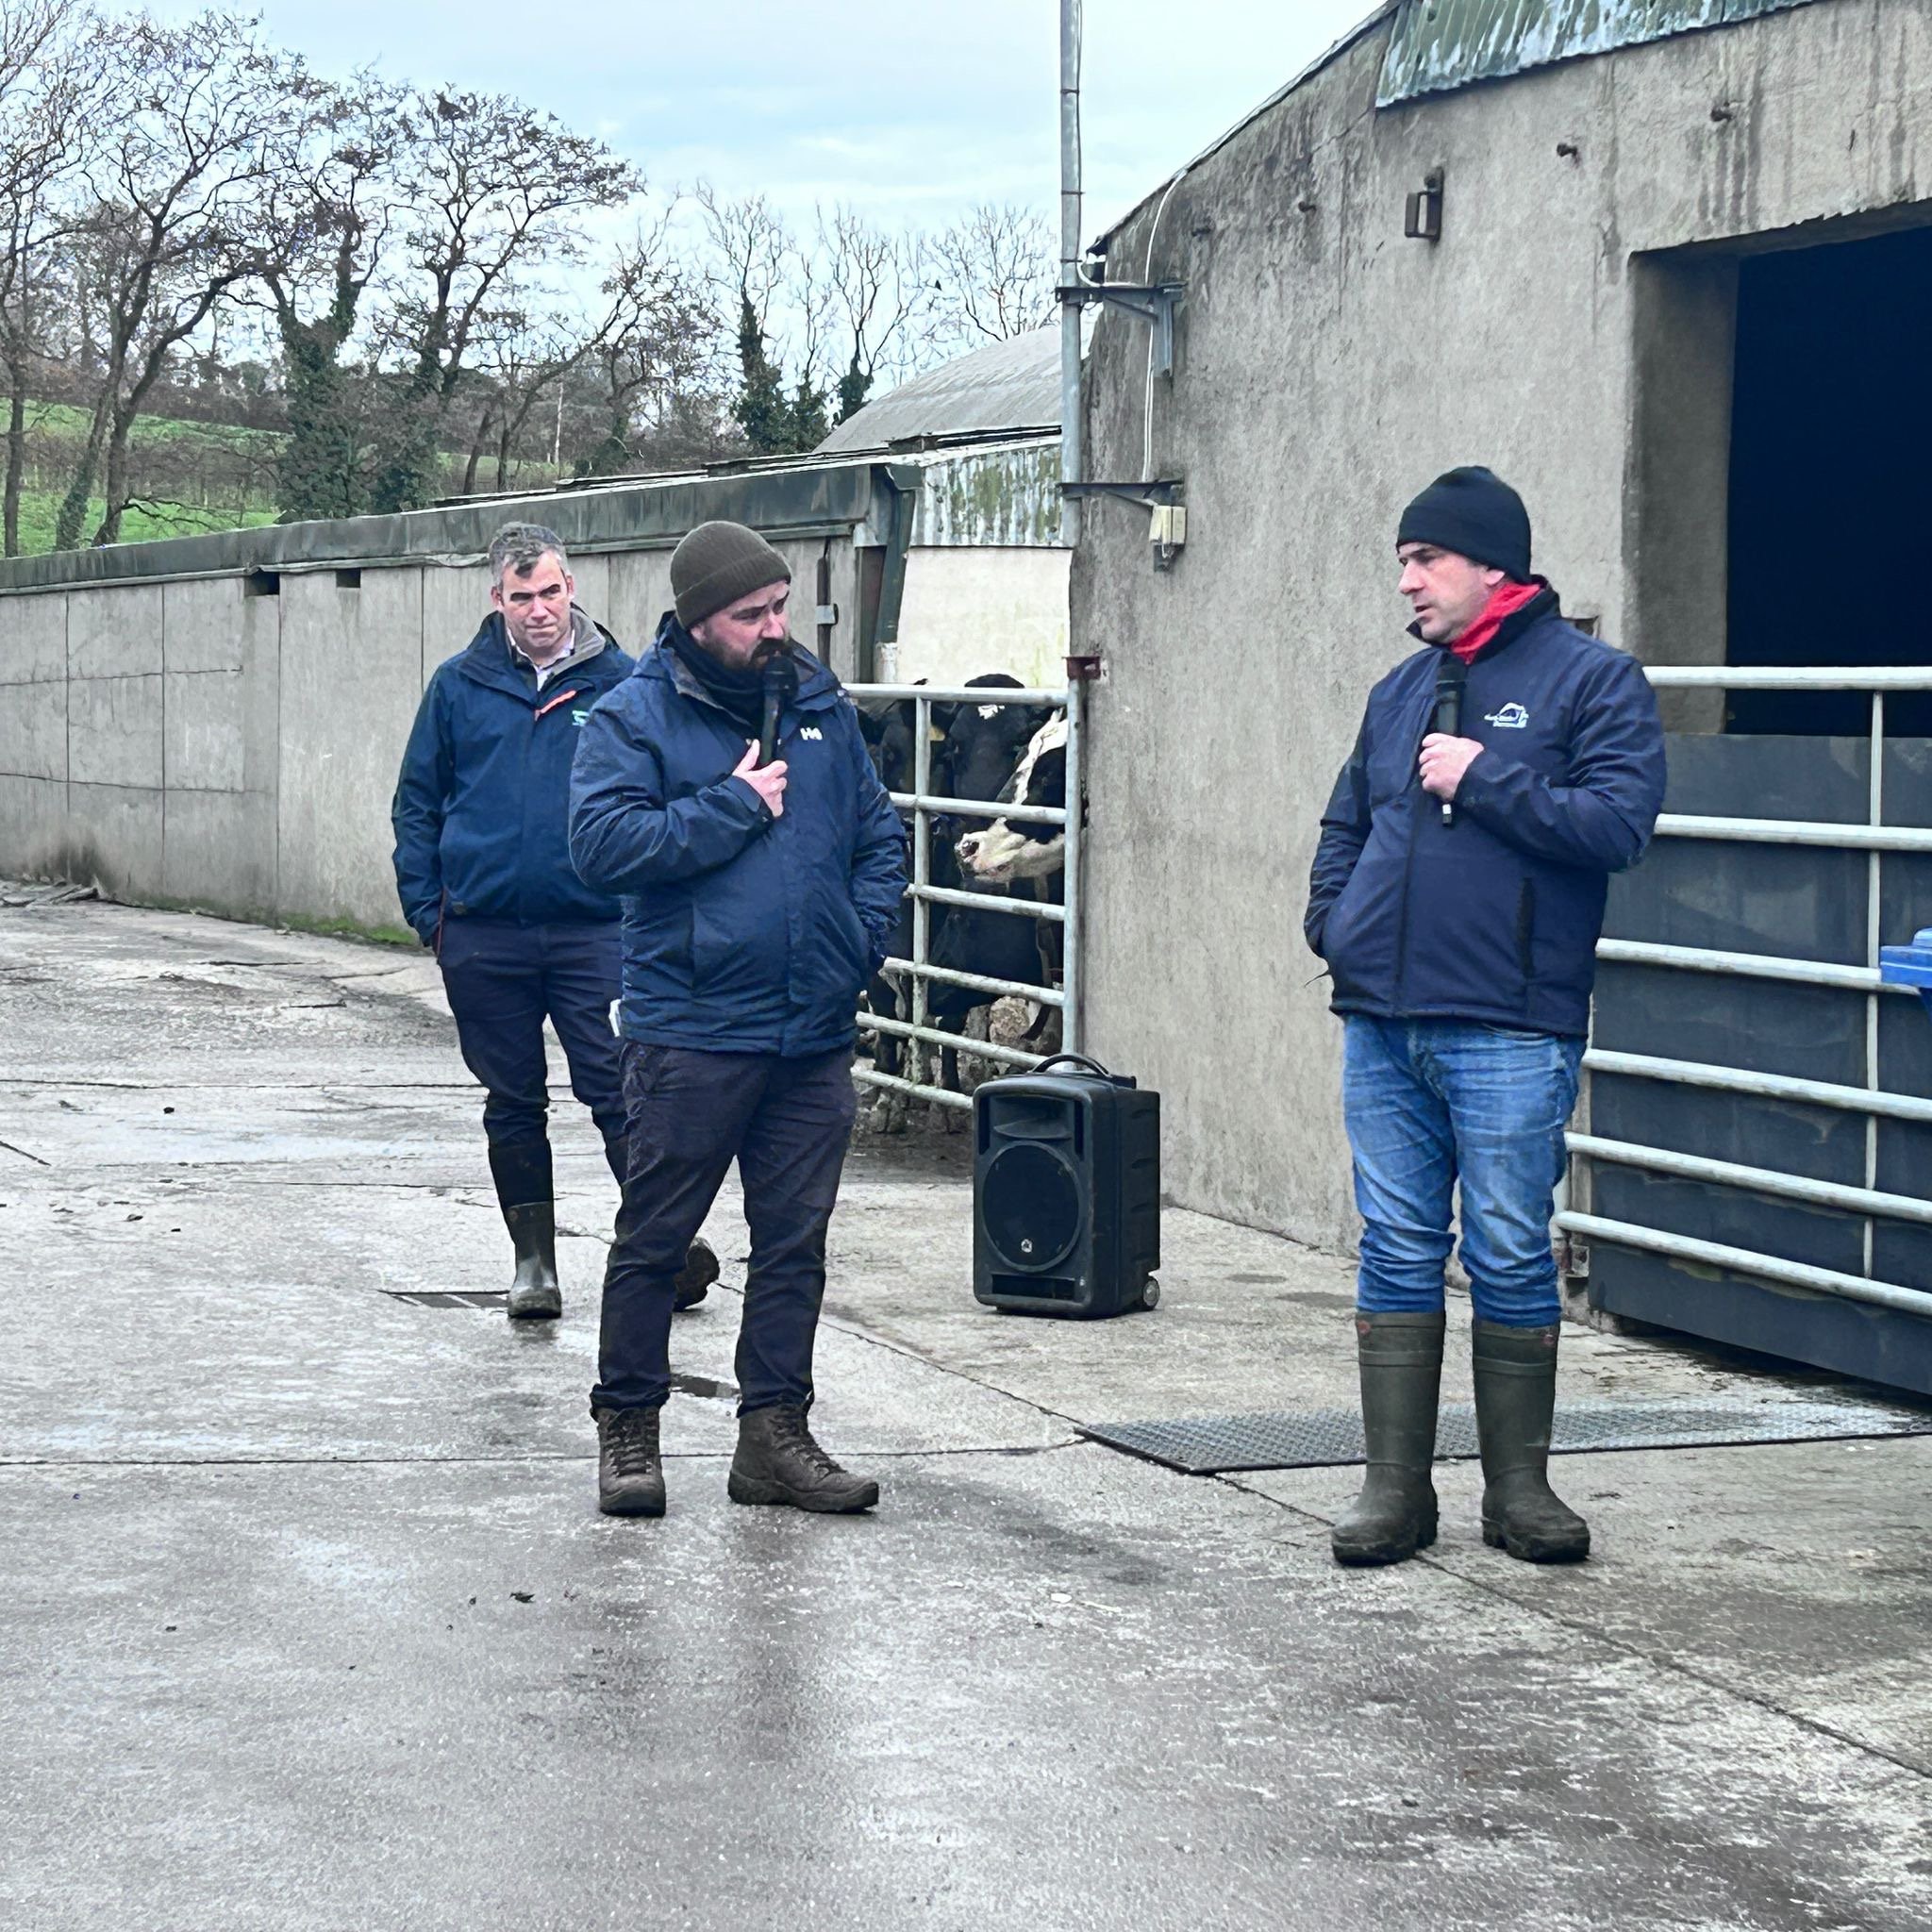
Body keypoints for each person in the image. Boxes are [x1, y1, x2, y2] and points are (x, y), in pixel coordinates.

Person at [1305, 467, 1666, 1569]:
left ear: (1490, 564)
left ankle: (1520, 1491)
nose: (1405, 579)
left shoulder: (1592, 682)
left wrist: (1484, 775)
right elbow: (1346, 819)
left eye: (1425, 559)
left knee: (1508, 1249)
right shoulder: (1396, 690)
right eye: (1403, 560)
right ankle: (1392, 1491)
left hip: (1510, 1023)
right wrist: (1335, 924)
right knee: (1395, 1249)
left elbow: (1617, 823)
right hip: (1382, 1019)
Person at [569, 521, 907, 1520]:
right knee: (655, 1238)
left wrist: (856, 942)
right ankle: (628, 1426)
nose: (773, 626)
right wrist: (727, 806)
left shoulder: (819, 705)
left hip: (809, 1033)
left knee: (793, 1241)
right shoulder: (634, 714)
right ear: (695, 621)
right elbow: (599, 845)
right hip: (691, 1030)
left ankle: (773, 1434)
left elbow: (876, 833)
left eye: (778, 606)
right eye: (748, 613)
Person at [391, 522, 719, 1320]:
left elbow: (667, 796)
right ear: (495, 598)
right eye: (520, 596)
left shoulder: (627, 683)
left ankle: (660, 1246)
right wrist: (431, 913)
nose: (537, 610)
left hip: (597, 931)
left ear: (570, 586)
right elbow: (418, 803)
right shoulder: (459, 686)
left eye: (549, 592)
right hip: (483, 932)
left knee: (621, 1091)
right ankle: (533, 1264)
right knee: (512, 1100)